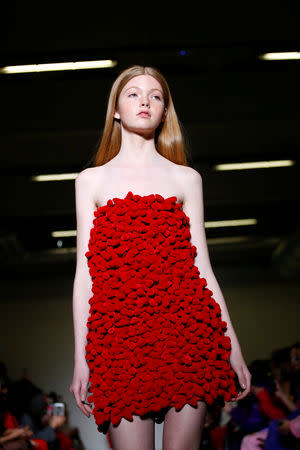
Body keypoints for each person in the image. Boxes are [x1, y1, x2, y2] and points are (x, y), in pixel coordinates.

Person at [69, 65, 251, 450]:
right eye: (133, 93)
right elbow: (86, 274)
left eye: (155, 96)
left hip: (189, 332)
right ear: (116, 109)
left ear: (165, 111)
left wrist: (232, 345)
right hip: (119, 341)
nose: (145, 102)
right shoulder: (91, 180)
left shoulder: (186, 179)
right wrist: (80, 358)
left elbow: (202, 266)